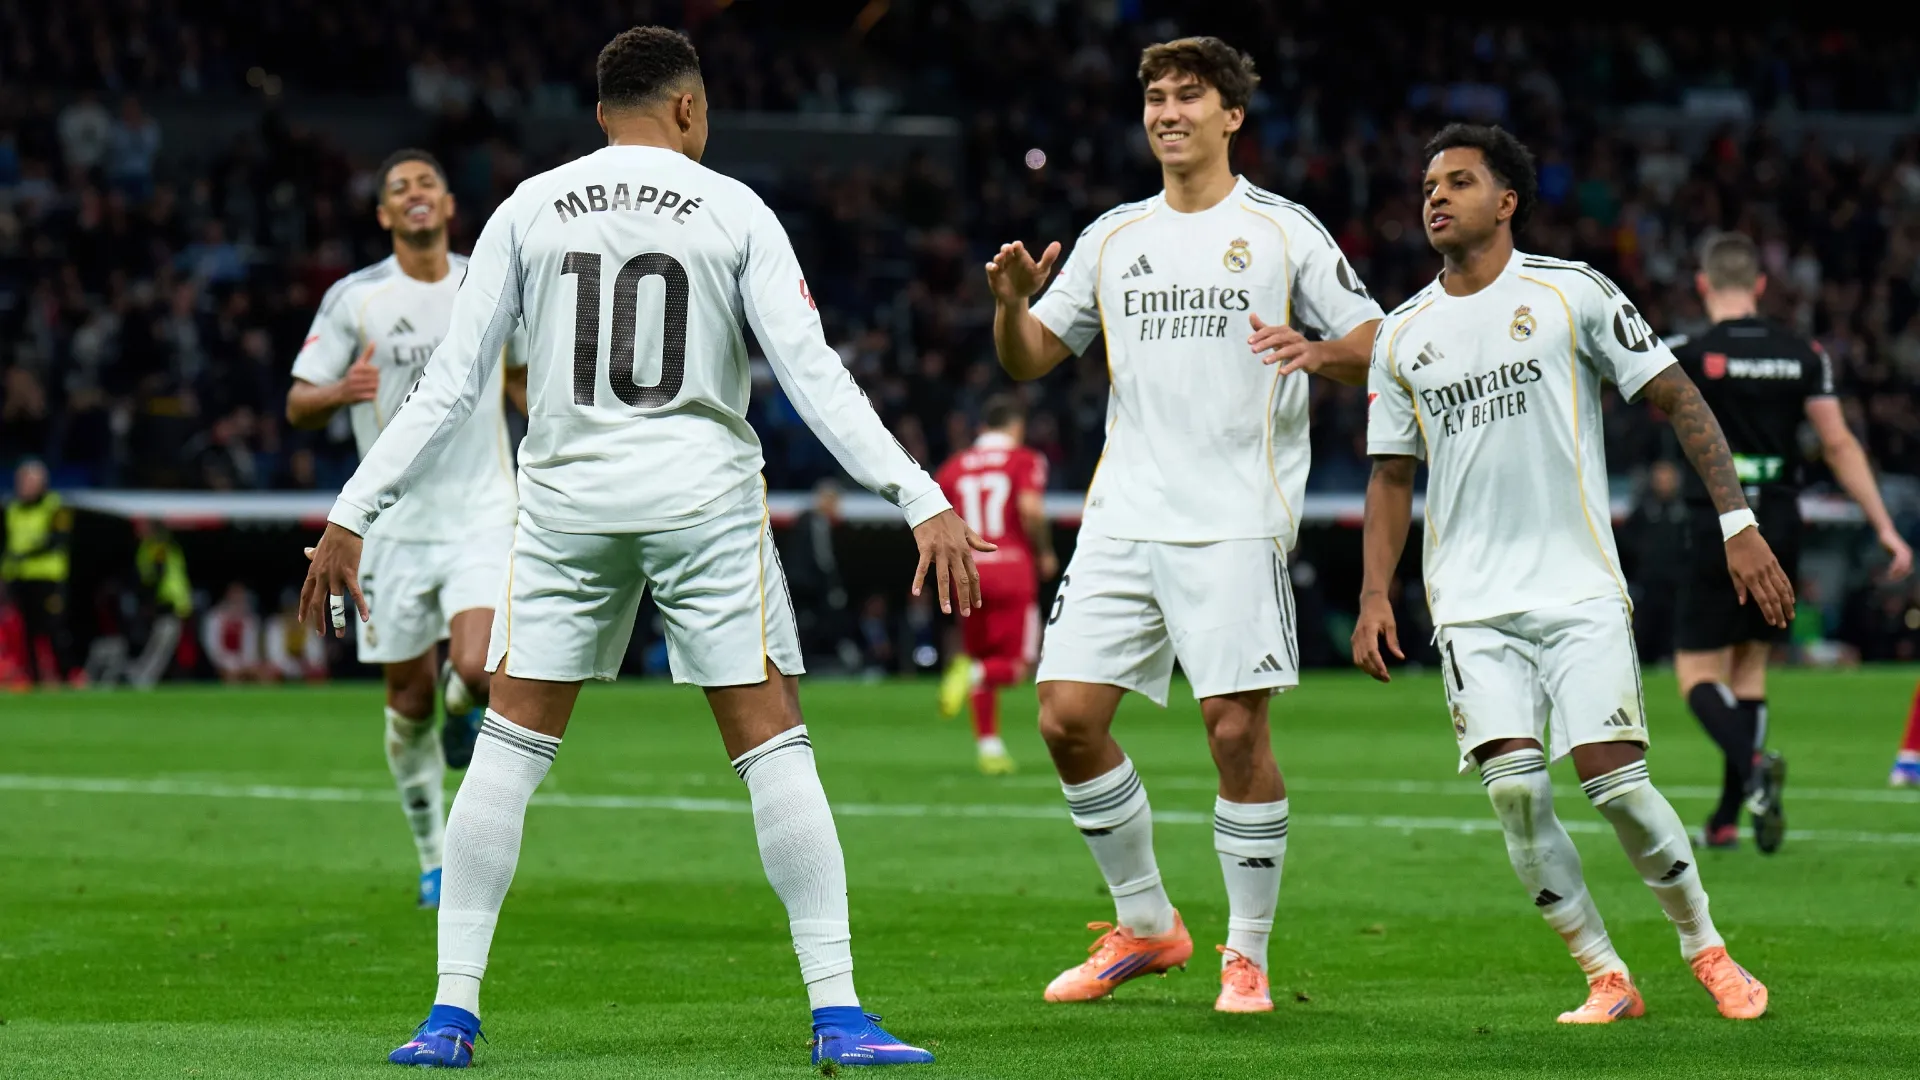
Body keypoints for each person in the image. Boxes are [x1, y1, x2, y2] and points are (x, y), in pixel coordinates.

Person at [298, 26, 986, 1070]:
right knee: (769, 740)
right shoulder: (733, 207)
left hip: (568, 508)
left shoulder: (530, 205)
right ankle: (838, 1012)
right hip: (700, 506)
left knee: (510, 748)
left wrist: (352, 509)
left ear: (600, 116)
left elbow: (449, 384)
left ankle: (449, 1014)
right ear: (689, 110)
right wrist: (917, 493)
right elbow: (813, 373)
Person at [1353, 123, 1790, 1025]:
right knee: (1515, 791)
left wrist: (1737, 522)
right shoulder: (1402, 335)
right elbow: (1390, 474)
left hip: (1577, 586)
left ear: (1506, 201)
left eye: (1459, 182)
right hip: (1470, 604)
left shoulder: (1570, 293)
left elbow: (1677, 394)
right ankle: (1604, 974)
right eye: (1429, 182)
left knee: (1617, 787)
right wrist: (1370, 596)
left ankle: (1705, 948)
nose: (1435, 196)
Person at [985, 36, 1382, 1014]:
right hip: (1126, 515)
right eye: (1156, 97)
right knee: (1065, 719)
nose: (1167, 112)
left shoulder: (1282, 230)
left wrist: (1319, 350)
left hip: (1237, 517)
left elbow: (1380, 344)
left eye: (1188, 97)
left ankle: (1245, 955)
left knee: (1234, 731)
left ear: (1231, 116)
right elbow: (1031, 358)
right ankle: (1149, 923)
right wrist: (1009, 308)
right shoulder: (1117, 234)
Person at [286, 148, 527, 910]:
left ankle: (466, 712)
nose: (415, 194)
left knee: (481, 668)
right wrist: (337, 392)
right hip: (388, 525)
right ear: (385, 215)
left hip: (485, 510)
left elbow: (521, 377)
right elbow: (297, 402)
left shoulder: (483, 284)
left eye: (427, 182)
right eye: (399, 188)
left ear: (449, 204)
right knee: (409, 696)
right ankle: (432, 860)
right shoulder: (355, 298)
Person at [1665, 232, 1913, 848]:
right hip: (1779, 517)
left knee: (1697, 670)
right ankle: (1727, 819)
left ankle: (1752, 771)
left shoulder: (1684, 351)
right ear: (1759, 284)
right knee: (1749, 668)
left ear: (1702, 284)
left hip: (1717, 518)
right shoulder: (1803, 352)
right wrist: (1883, 526)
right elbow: (1838, 443)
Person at [934, 393, 1058, 775]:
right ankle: (968, 675)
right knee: (1017, 665)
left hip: (967, 569)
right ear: (1016, 427)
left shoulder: (953, 468)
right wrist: (1045, 551)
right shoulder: (1024, 460)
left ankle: (989, 749)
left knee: (981, 657)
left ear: (981, 428)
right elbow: (1030, 509)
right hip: (1010, 567)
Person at [2, 461, 76, 686]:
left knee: (53, 629)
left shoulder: (56, 506)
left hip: (48, 579)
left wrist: (26, 554)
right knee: (27, 632)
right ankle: (33, 677)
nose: (23, 485)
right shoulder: (12, 508)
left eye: (28, 481)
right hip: (20, 579)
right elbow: (8, 546)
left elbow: (57, 541)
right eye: (20, 480)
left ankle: (66, 675)